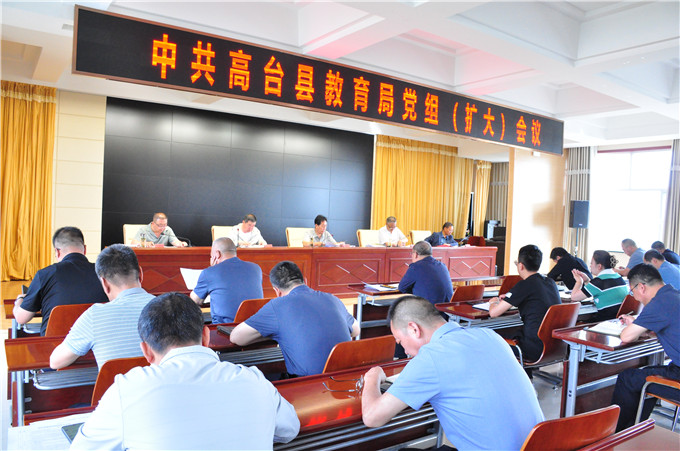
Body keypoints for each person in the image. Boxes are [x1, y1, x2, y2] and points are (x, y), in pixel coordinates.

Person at [70, 292, 299, 449]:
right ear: (206, 338)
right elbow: (290, 429)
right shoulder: (255, 380)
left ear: (146, 351)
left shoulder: (127, 390)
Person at [361, 296, 544, 450]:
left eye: (400, 341)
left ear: (414, 329)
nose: (405, 352)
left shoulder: (431, 357)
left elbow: (372, 418)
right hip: (540, 444)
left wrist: (372, 377)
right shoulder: (489, 335)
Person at [230, 261, 359, 377]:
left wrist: (273, 334)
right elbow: (355, 330)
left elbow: (236, 337)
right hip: (348, 377)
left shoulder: (278, 305)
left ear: (277, 291)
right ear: (305, 281)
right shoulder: (332, 299)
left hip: (309, 385)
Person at [50, 244, 154, 370]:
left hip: (114, 383)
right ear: (141, 274)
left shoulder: (94, 316)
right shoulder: (169, 308)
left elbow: (55, 362)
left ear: (104, 283)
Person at [611, 264, 680, 432]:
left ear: (641, 287)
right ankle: (635, 428)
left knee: (628, 379)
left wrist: (634, 326)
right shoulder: (674, 295)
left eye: (632, 292)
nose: (635, 298)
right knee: (646, 373)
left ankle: (617, 433)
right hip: (676, 368)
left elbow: (626, 336)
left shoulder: (658, 303)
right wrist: (639, 323)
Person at [13, 227, 107, 336]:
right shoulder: (104, 273)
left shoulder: (45, 274)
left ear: (57, 251)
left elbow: (21, 318)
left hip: (55, 344)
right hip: (96, 343)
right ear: (85, 249)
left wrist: (20, 300)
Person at [489, 244, 561, 363]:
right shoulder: (550, 282)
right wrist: (511, 298)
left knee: (491, 339)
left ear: (520, 265)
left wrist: (493, 302)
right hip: (554, 346)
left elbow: (493, 313)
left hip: (532, 350)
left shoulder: (524, 285)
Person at [190, 237, 263, 323]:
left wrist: (212, 269)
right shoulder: (256, 268)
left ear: (217, 254)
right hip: (255, 327)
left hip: (225, 329)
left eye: (211, 256)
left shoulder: (209, 272)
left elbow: (195, 300)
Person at [571, 250, 628, 321]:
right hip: (619, 320)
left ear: (599, 266)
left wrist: (579, 281)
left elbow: (574, 297)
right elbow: (598, 290)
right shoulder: (618, 277)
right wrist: (587, 280)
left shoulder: (599, 281)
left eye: (591, 263)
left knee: (576, 320)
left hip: (605, 321)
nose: (590, 266)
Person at [398, 241, 453, 306]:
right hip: (447, 310)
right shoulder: (442, 265)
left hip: (428, 310)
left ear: (415, 254)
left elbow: (402, 288)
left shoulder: (416, 267)